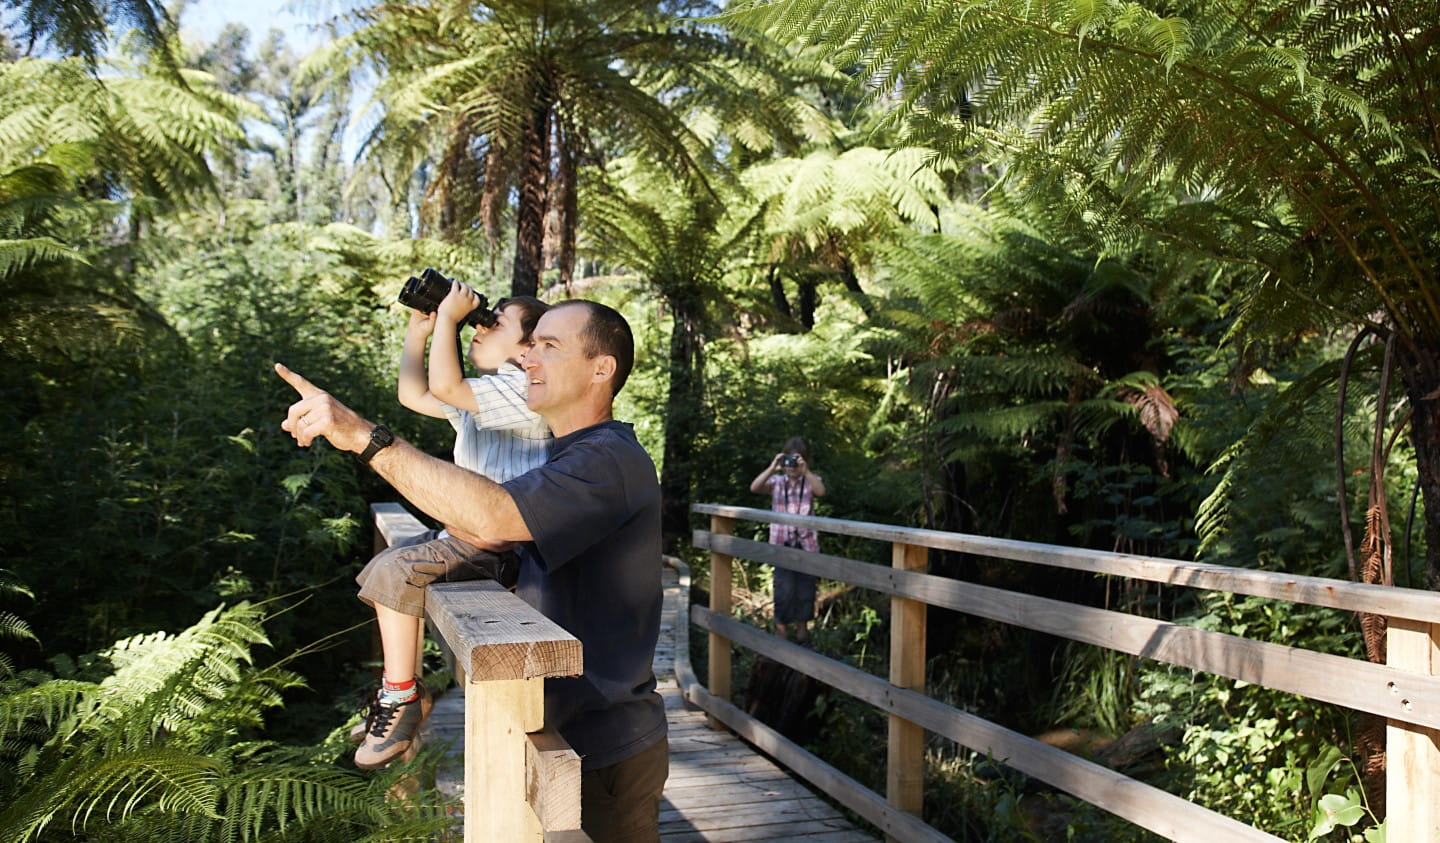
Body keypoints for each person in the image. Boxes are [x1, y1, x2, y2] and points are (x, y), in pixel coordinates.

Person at [276, 299, 667, 843]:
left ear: (603, 369)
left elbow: (493, 513)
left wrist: (365, 437)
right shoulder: (566, 453)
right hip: (553, 724)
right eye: (530, 345)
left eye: (549, 347)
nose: (529, 358)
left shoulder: (607, 460)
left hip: (603, 745)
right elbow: (489, 518)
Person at [349, 282, 551, 769]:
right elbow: (414, 392)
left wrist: (449, 320)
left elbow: (443, 385)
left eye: (495, 322)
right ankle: (397, 691)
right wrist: (420, 332)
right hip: (467, 533)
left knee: (393, 574)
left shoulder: (522, 391)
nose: (480, 327)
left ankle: (401, 699)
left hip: (500, 546)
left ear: (528, 351)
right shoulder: (488, 395)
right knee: (384, 567)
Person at [748, 436, 827, 645]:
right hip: (781, 545)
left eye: (797, 461)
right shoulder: (776, 482)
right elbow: (754, 488)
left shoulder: (810, 481)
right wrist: (773, 467)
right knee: (783, 589)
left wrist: (806, 471)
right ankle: (781, 633)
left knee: (805, 590)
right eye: (789, 461)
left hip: (806, 545)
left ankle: (802, 633)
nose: (792, 466)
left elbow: (821, 491)